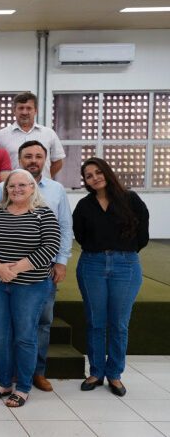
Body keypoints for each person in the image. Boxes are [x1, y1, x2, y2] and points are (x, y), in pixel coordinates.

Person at [0, 140, 73, 392]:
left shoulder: (56, 190)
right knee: (7, 329)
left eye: (38, 156)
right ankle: (7, 377)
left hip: (39, 274)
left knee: (41, 322)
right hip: (2, 277)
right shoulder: (0, 189)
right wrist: (1, 267)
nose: (33, 160)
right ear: (19, 159)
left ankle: (35, 373)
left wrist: (61, 261)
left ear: (45, 159)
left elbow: (64, 228)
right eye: (28, 156)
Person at [0, 169, 61, 408]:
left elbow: (50, 247)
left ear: (32, 187)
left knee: (25, 336)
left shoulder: (43, 213)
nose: (16, 190)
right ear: (6, 189)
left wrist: (16, 269)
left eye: (22, 185)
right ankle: (4, 382)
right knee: (0, 335)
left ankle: (23, 387)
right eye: (11, 186)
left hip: (30, 285)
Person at [74, 157, 149, 397]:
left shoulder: (131, 199)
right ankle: (96, 372)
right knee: (96, 321)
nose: (95, 178)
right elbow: (80, 235)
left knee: (119, 323)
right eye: (89, 176)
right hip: (92, 265)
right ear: (85, 181)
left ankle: (114, 374)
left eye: (98, 172)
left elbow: (142, 235)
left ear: (107, 172)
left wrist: (122, 252)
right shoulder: (84, 205)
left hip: (125, 266)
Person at [0, 92, 65, 178]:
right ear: (14, 110)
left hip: (41, 186)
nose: (24, 112)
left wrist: (43, 179)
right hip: (14, 185)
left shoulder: (49, 133)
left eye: (29, 108)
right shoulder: (1, 135)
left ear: (35, 111)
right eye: (21, 108)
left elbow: (58, 162)